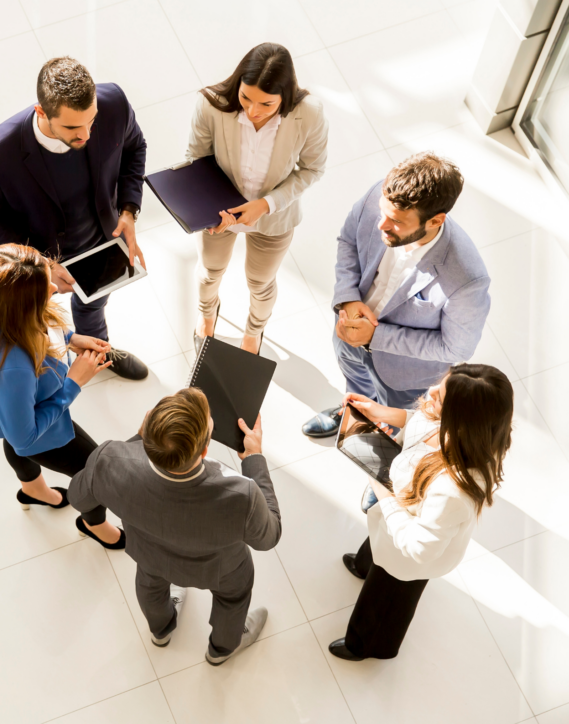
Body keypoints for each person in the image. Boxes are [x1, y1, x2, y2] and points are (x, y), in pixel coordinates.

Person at [68, 388, 281, 664]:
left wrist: (136, 441)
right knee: (233, 600)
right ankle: (221, 649)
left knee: (150, 587)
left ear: (147, 428)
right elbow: (269, 537)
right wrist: (254, 459)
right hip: (221, 571)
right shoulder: (243, 496)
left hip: (150, 556)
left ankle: (161, 631)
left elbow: (77, 496)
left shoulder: (107, 462)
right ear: (205, 450)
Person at [0, 56, 149, 381]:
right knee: (33, 324)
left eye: (91, 122)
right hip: (39, 254)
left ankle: (98, 351)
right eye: (71, 127)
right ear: (41, 112)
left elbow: (135, 148)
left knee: (93, 305)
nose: (87, 135)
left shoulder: (114, 104)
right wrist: (41, 264)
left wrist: (128, 211)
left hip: (102, 240)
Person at [329, 363, 513, 660]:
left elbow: (418, 549)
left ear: (460, 420)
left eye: (439, 397)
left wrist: (382, 489)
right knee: (378, 551)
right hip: (396, 520)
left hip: (408, 551)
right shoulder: (465, 426)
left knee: (388, 596)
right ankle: (366, 565)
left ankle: (367, 645)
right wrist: (382, 412)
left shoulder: (454, 491)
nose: (429, 394)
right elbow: (423, 421)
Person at [302, 152, 491, 438]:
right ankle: (352, 415)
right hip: (348, 335)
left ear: (435, 221)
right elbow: (348, 241)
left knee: (393, 428)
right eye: (383, 213)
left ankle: (382, 459)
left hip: (404, 376)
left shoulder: (466, 278)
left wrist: (374, 337)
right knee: (355, 386)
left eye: (397, 222)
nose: (381, 225)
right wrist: (349, 297)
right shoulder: (381, 198)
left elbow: (456, 349)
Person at [0, 244, 125, 548]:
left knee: (11, 439)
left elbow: (44, 327)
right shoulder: (12, 366)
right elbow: (25, 438)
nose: (53, 287)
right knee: (93, 473)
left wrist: (71, 338)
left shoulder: (3, 313)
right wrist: (73, 382)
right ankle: (95, 526)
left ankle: (33, 491)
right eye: (42, 289)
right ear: (21, 306)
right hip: (39, 427)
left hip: (10, 408)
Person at [186, 43, 328, 354]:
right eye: (246, 97)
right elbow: (196, 160)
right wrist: (208, 210)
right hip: (219, 213)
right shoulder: (211, 105)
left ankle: (254, 332)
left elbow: (312, 168)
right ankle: (207, 314)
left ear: (285, 97)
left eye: (266, 104)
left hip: (274, 217)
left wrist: (266, 205)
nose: (253, 111)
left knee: (260, 283)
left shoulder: (310, 114)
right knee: (210, 271)